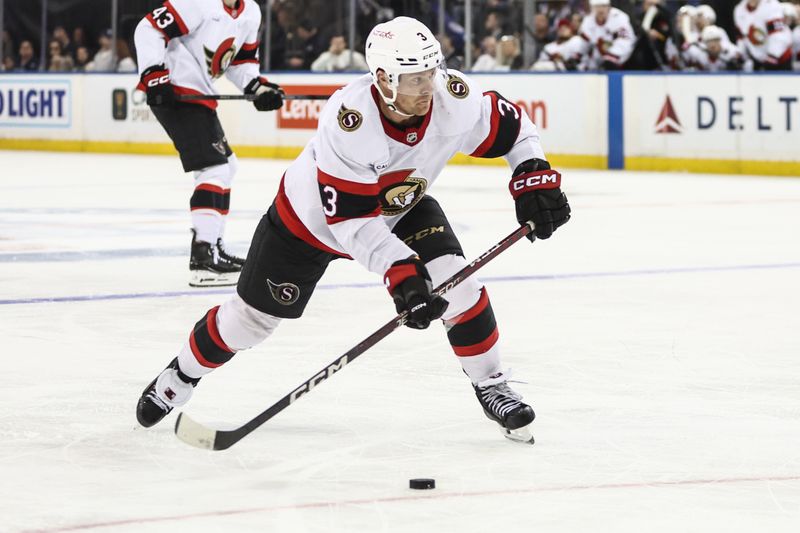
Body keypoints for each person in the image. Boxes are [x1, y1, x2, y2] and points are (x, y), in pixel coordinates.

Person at [135, 16, 571, 444]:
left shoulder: (452, 97)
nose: (428, 88)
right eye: (414, 79)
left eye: (431, 73)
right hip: (309, 224)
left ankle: (491, 384)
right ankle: (179, 376)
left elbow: (515, 130)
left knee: (457, 283)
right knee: (249, 322)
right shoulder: (351, 121)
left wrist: (532, 177)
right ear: (382, 79)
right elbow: (352, 222)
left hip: (403, 206)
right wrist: (401, 273)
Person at [133, 0, 284, 287]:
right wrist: (154, 75)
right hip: (177, 92)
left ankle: (211, 247)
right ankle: (203, 257)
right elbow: (148, 29)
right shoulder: (198, 3)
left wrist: (259, 89)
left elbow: (240, 64)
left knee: (226, 166)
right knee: (215, 169)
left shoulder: (250, 11)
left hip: (198, 94)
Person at [734, 0, 793, 70]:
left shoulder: (771, 5)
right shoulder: (739, 9)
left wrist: (772, 56)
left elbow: (778, 34)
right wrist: (741, 54)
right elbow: (741, 36)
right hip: (759, 58)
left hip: (780, 57)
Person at [576, 0, 635, 70]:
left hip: (622, 57)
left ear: (609, 7)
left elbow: (626, 41)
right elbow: (584, 42)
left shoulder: (619, 17)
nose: (601, 10)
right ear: (592, 8)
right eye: (597, 7)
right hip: (599, 56)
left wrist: (612, 55)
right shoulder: (588, 20)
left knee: (609, 63)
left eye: (604, 6)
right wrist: (578, 56)